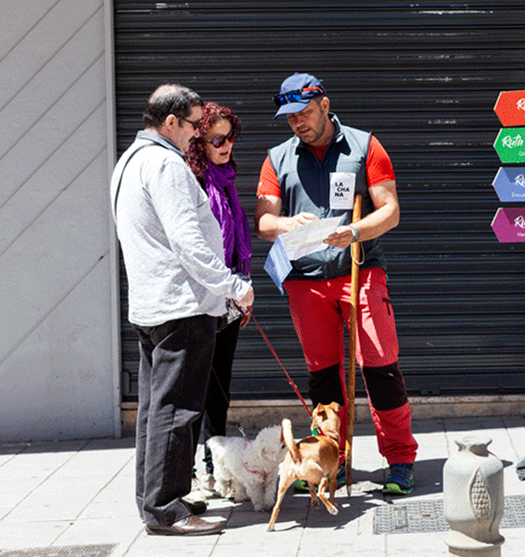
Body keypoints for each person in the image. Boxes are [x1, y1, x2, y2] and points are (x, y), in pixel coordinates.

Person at [255, 73, 418, 494]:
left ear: (325, 105)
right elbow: (264, 220)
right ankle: (332, 460)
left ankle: (399, 459)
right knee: (324, 380)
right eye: (289, 118)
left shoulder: (365, 146)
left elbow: (392, 210)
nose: (298, 123)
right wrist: (286, 222)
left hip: (360, 272)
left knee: (382, 369)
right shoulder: (278, 158)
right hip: (305, 282)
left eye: (305, 113)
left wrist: (356, 232)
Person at [110, 85, 254, 536]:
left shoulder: (129, 161)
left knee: (156, 411)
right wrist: (234, 287)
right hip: (183, 307)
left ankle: (155, 499)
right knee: (178, 412)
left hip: (153, 306)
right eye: (194, 125)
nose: (198, 134)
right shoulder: (166, 165)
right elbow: (188, 242)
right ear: (170, 122)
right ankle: (166, 510)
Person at [184, 102, 253, 493]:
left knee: (219, 392)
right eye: (217, 139)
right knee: (195, 389)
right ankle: (189, 470)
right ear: (199, 142)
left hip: (228, 301)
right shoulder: (194, 184)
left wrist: (240, 290)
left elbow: (234, 246)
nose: (226, 145)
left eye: (230, 137)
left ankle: (214, 465)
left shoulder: (225, 180)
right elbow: (201, 250)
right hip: (202, 303)